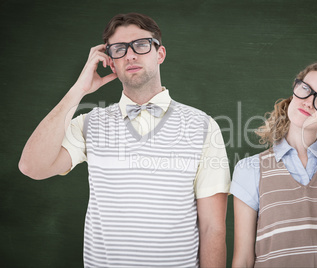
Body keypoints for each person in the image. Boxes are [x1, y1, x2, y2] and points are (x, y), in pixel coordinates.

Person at [19, 12, 230, 267]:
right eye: (119, 49)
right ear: (111, 62)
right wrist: (79, 90)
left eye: (141, 45)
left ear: (160, 54)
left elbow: (213, 228)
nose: (130, 55)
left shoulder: (203, 126)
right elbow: (32, 166)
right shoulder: (90, 124)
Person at [230, 61, 317, 267]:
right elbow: (243, 259)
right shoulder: (249, 169)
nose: (308, 101)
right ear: (295, 90)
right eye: (306, 89)